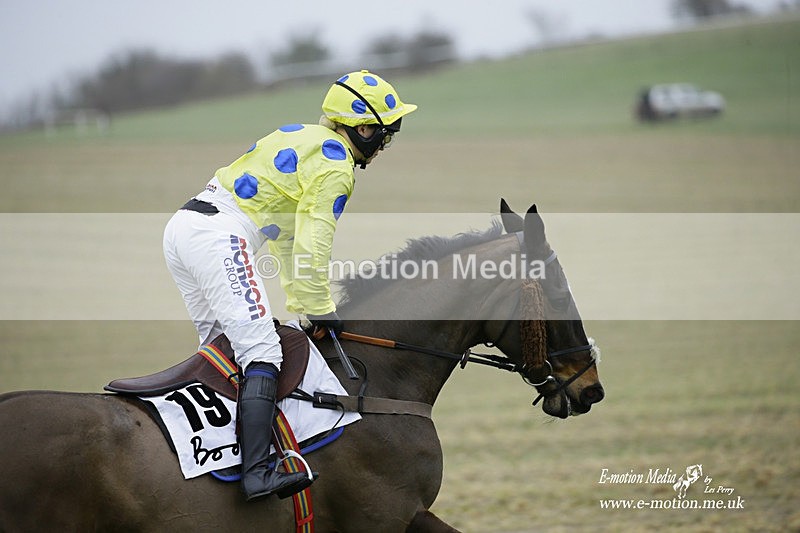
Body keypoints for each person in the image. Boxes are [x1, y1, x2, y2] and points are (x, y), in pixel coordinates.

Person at [162, 70, 416, 501]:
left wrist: (305, 304)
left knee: (221, 349)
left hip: (184, 228)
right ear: (364, 129)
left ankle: (213, 460)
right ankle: (258, 472)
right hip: (219, 235)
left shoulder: (300, 136)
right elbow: (314, 244)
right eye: (383, 136)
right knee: (261, 352)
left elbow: (287, 237)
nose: (383, 146)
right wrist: (320, 308)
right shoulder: (337, 165)